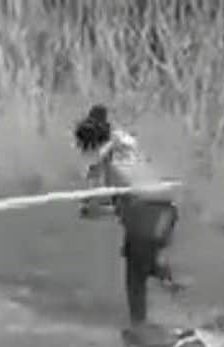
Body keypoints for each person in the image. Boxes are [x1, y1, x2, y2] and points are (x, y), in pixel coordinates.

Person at [72, 104, 183, 330]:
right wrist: (100, 208)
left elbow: (109, 202)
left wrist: (91, 208)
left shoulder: (107, 162)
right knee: (145, 260)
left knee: (136, 275)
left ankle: (140, 326)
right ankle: (179, 293)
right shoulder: (129, 150)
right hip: (167, 211)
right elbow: (119, 202)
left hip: (147, 215)